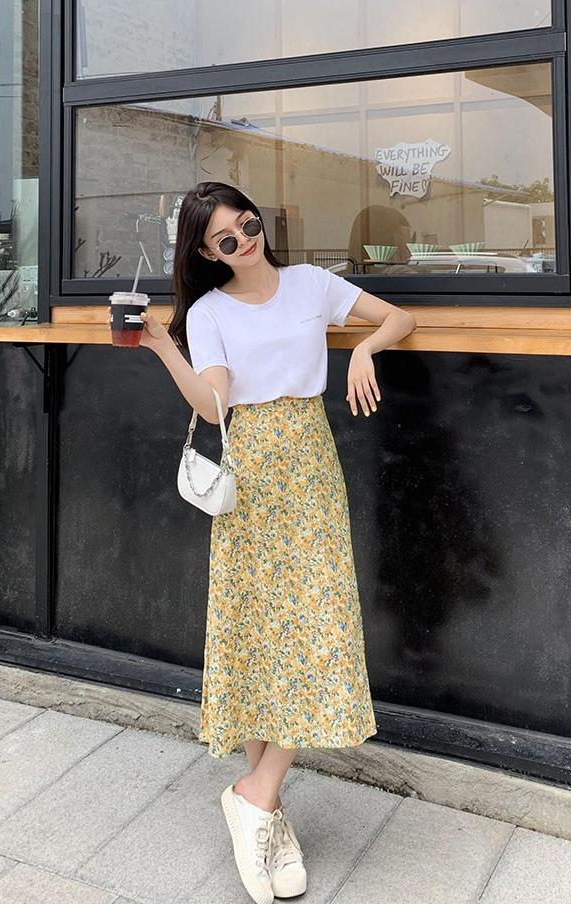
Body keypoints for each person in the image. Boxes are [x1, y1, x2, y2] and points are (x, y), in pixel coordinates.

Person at [136, 181, 416, 904]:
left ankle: (255, 795)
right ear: (207, 252)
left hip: (311, 462)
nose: (244, 241)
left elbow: (399, 316)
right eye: (225, 239)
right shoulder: (209, 311)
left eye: (248, 224)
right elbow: (214, 404)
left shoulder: (312, 284)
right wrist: (164, 346)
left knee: (318, 629)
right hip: (252, 471)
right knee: (262, 633)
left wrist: (365, 350)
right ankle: (266, 810)